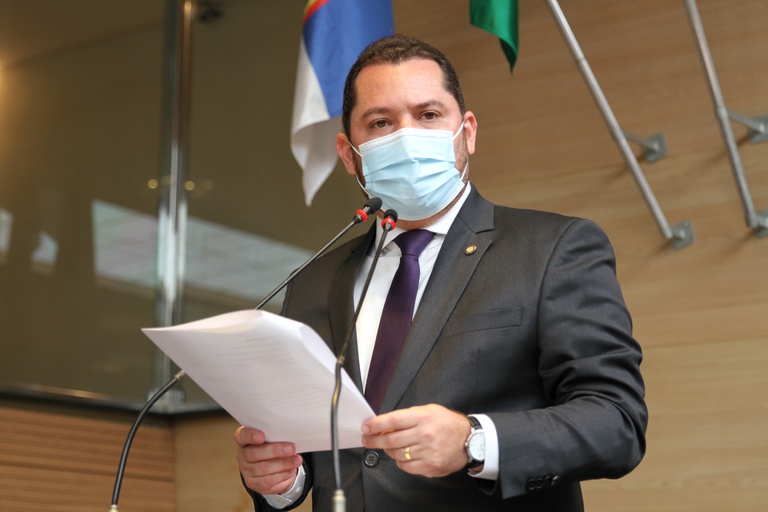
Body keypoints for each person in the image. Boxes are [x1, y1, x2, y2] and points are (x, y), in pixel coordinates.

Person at [235, 34, 647, 512]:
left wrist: (473, 441)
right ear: (349, 154)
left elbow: (616, 422)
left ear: (466, 132)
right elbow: (312, 447)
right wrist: (281, 480)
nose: (407, 136)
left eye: (428, 115)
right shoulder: (314, 280)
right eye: (381, 122)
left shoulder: (553, 249)